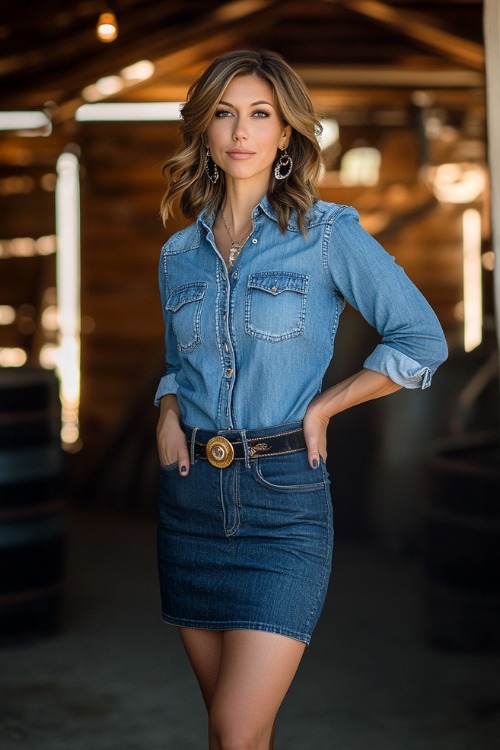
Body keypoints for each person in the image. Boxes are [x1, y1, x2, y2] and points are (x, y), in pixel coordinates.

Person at [155, 49, 447, 750]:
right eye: (224, 113)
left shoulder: (325, 236)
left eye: (261, 114)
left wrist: (325, 406)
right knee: (242, 737)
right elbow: (181, 365)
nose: (240, 131)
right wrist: (167, 408)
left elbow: (422, 340)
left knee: (233, 731)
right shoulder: (177, 255)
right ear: (205, 128)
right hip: (189, 503)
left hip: (281, 504)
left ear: (287, 133)